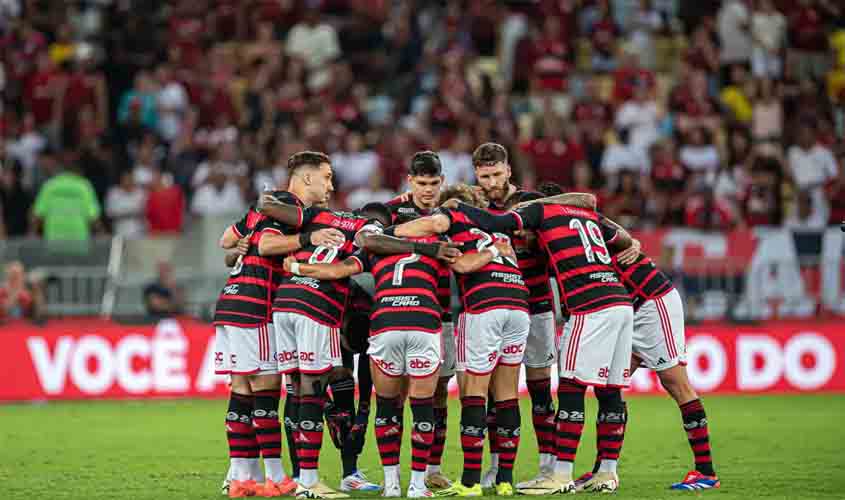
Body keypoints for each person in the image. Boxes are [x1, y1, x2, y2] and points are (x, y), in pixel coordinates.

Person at [257, 153, 459, 499]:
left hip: (298, 306)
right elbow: (348, 262)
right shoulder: (370, 234)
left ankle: (301, 474)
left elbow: (270, 212)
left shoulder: (326, 218)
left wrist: (294, 259)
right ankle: (321, 476)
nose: (332, 185)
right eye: (327, 177)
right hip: (339, 312)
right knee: (329, 388)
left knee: (302, 387)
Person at [406, 191, 635, 494]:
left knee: (566, 387)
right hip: (615, 301)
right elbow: (622, 238)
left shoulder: (538, 213)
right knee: (608, 391)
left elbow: (494, 221)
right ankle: (599, 473)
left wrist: (458, 209)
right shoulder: (589, 217)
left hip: (583, 305)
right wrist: (633, 244)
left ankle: (544, 476)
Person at [215, 152, 346, 498]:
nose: (331, 185)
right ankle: (274, 476)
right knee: (266, 390)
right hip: (255, 304)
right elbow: (268, 243)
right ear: (306, 179)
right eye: (326, 177)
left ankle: (242, 477)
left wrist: (241, 246)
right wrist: (308, 239)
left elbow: (227, 240)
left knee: (241, 388)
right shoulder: (288, 207)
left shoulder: (265, 207)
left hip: (231, 299)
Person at [393, 183, 530, 497]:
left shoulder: (453, 223)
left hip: (484, 307)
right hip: (518, 305)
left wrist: (393, 231)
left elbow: (465, 264)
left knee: (473, 391)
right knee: (507, 393)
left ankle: (470, 482)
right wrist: (497, 248)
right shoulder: (496, 227)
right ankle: (504, 479)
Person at [572, 219, 720, 491]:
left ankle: (706, 471)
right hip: (624, 308)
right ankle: (602, 472)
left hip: (652, 303)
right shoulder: (565, 235)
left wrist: (631, 241)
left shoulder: (583, 223)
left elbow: (616, 230)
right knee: (607, 388)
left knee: (676, 383)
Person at [466, 144, 558, 490]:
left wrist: (533, 238)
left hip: (536, 306)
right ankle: (495, 465)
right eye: (484, 175)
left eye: (496, 174)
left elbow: (557, 239)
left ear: (508, 171)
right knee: (495, 392)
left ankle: (548, 466)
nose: (491, 182)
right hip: (494, 306)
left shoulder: (533, 203)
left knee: (539, 389)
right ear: (477, 174)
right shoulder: (475, 205)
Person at [385, 151, 456, 490]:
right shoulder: (392, 210)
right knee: (396, 394)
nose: (428, 190)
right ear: (410, 180)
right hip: (400, 310)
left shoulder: (452, 210)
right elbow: (370, 237)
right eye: (422, 183)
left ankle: (431, 469)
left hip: (441, 314)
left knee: (438, 392)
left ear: (442, 181)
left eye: (434, 183)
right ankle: (394, 473)